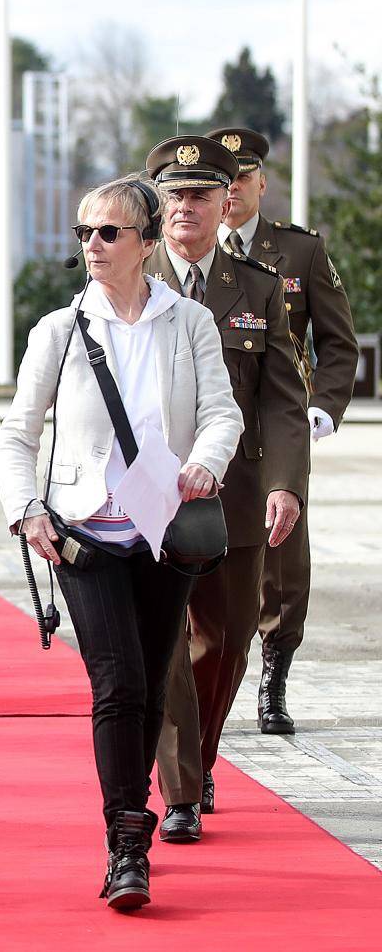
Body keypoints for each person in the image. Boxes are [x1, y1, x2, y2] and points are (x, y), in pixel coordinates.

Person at [0, 172, 242, 911]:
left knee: (151, 685)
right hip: (86, 535)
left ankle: (129, 824)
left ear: (145, 239)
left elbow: (222, 414)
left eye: (107, 232)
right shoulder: (59, 330)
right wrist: (28, 510)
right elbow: (17, 434)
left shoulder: (188, 321)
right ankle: (126, 843)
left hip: (166, 533)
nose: (92, 246)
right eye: (83, 233)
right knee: (120, 683)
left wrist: (204, 462)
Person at [142, 135, 309, 843]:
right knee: (165, 646)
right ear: (160, 204)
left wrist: (285, 486)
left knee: (228, 638)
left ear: (225, 202)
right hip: (144, 493)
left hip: (234, 496)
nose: (187, 206)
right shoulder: (126, 273)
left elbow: (281, 402)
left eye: (201, 195)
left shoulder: (258, 290)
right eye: (175, 195)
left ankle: (200, 757)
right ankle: (180, 793)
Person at [206, 125, 359, 735]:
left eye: (244, 178)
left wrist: (321, 408)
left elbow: (338, 345)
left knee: (281, 554)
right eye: (225, 180)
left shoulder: (297, 252)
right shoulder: (180, 250)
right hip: (203, 425)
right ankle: (211, 676)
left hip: (275, 423)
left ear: (262, 185)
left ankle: (275, 673)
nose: (235, 189)